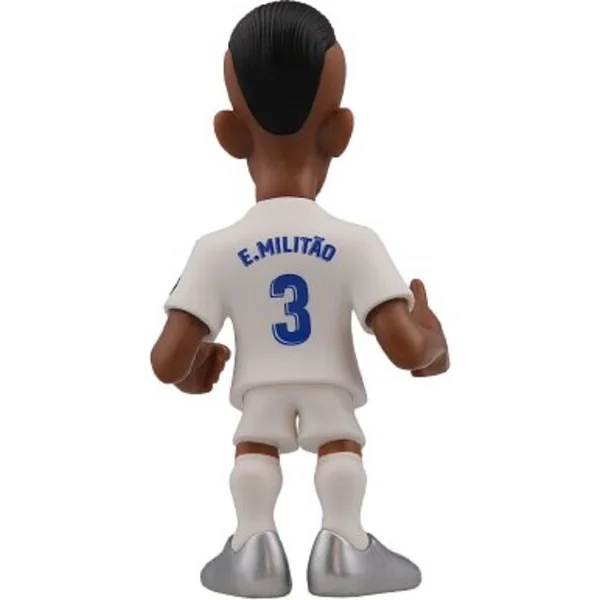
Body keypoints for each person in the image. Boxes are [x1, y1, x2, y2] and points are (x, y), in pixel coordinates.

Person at [150, 1, 449, 597]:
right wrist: (434, 337)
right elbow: (407, 350)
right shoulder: (356, 244)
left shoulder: (215, 250)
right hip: (329, 383)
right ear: (340, 131)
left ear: (229, 133)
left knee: (254, 447)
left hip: (259, 385)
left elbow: (166, 361)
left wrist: (194, 372)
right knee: (340, 445)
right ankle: (344, 546)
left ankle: (252, 547)